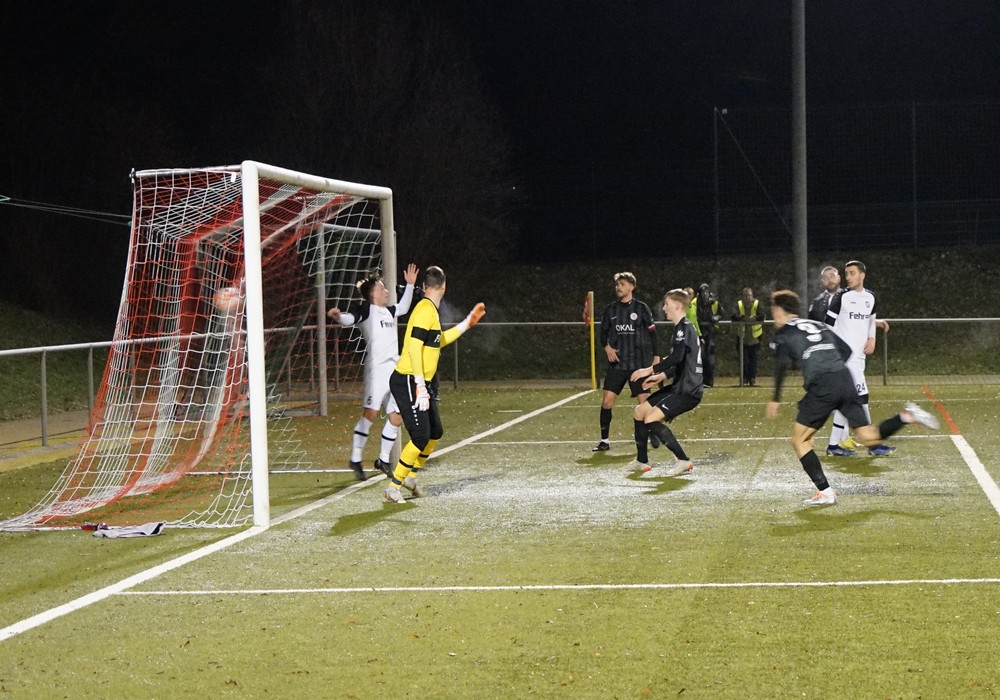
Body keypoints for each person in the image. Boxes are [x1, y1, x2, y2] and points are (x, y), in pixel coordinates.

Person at [765, 289, 939, 505]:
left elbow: (781, 363)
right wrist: (830, 367)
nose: (773, 317)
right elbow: (846, 350)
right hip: (844, 378)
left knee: (799, 440)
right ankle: (906, 416)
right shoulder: (818, 325)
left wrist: (775, 399)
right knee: (867, 436)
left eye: (773, 311)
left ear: (779, 311)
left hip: (823, 385)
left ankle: (826, 493)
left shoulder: (784, 333)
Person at [384, 266, 485, 503]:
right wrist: (419, 385)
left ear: (424, 286)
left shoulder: (430, 310)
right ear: (444, 287)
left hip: (419, 381)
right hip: (408, 379)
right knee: (420, 436)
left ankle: (410, 477)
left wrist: (466, 324)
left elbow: (438, 341)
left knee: (435, 432)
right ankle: (393, 487)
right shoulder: (424, 310)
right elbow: (413, 348)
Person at [327, 263, 419, 481]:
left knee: (397, 415)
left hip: (394, 370)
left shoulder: (388, 311)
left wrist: (410, 285)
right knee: (370, 414)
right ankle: (355, 458)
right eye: (382, 288)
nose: (386, 291)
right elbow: (350, 319)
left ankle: (383, 459)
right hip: (377, 371)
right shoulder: (366, 310)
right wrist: (339, 317)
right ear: (372, 293)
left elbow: (403, 307)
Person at [627, 288, 703, 476]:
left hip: (688, 390)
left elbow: (676, 357)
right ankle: (642, 461)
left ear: (676, 306)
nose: (664, 308)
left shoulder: (684, 328)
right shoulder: (681, 328)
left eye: (667, 304)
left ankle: (683, 460)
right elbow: (682, 361)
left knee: (651, 419)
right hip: (679, 386)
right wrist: (661, 376)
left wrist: (649, 370)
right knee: (639, 412)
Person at [823, 260, 893, 457]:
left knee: (847, 400)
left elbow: (870, 320)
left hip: (859, 358)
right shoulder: (841, 297)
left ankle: (833, 446)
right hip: (846, 359)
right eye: (846, 273)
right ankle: (873, 444)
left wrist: (872, 338)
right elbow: (827, 325)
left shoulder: (870, 297)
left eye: (852, 273)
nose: (848, 277)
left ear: (862, 275)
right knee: (862, 399)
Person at [592, 272, 659, 452]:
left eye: (622, 284)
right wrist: (607, 347)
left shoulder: (641, 308)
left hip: (638, 365)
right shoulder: (611, 309)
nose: (618, 287)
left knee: (645, 403)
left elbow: (652, 333)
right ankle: (604, 441)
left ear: (631, 287)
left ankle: (652, 431)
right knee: (607, 402)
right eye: (617, 284)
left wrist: (656, 355)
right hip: (618, 365)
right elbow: (603, 333)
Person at [731, 286, 765, 386]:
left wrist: (754, 318)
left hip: (755, 338)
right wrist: (743, 318)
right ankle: (744, 379)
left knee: (753, 360)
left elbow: (762, 315)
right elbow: (733, 316)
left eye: (749, 295)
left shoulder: (757, 304)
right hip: (742, 338)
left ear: (752, 295)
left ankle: (752, 379)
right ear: (743, 296)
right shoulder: (738, 304)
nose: (748, 298)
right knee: (743, 361)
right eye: (746, 296)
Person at [691, 283, 722, 388]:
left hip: (710, 332)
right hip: (699, 331)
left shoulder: (714, 303)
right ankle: (701, 380)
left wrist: (716, 318)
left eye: (707, 292)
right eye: (703, 292)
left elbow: (722, 313)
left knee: (710, 358)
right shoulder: (695, 302)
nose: (705, 294)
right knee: (700, 357)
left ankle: (709, 381)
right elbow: (693, 316)